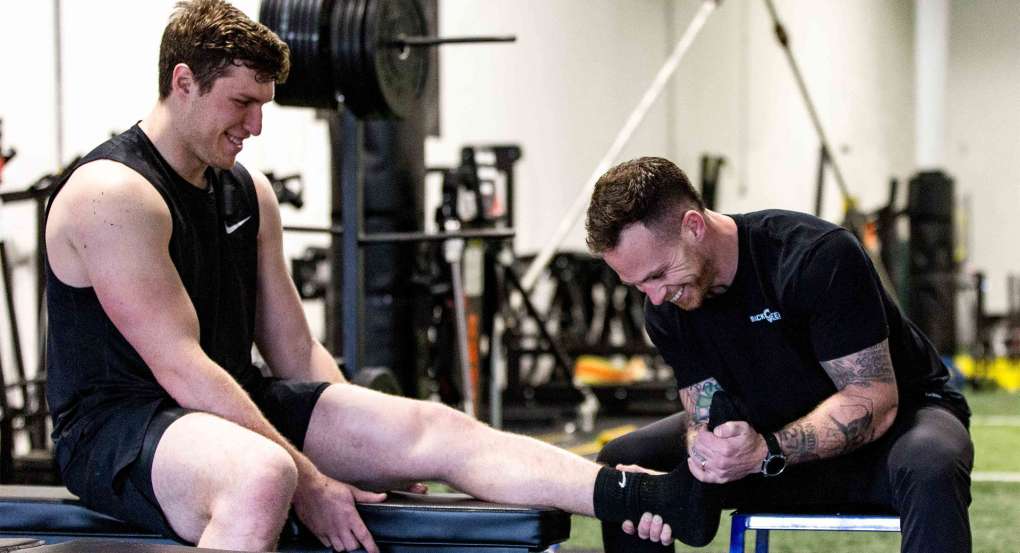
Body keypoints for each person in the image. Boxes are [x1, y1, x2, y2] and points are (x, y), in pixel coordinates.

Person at [45, 2, 702, 551]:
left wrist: (364, 449)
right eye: (241, 103)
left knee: (435, 430)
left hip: (226, 404)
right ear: (182, 82)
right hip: (119, 426)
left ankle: (632, 488)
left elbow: (296, 352)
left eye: (264, 104)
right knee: (263, 476)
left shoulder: (248, 193)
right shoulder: (114, 194)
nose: (256, 125)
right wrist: (311, 477)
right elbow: (181, 368)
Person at [583, 156, 974, 552]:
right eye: (637, 285)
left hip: (891, 427)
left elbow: (874, 399)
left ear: (694, 227)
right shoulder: (667, 307)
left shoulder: (815, 256)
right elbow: (703, 411)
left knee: (931, 464)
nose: (654, 296)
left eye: (657, 274)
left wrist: (766, 450)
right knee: (624, 466)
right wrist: (702, 459)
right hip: (766, 437)